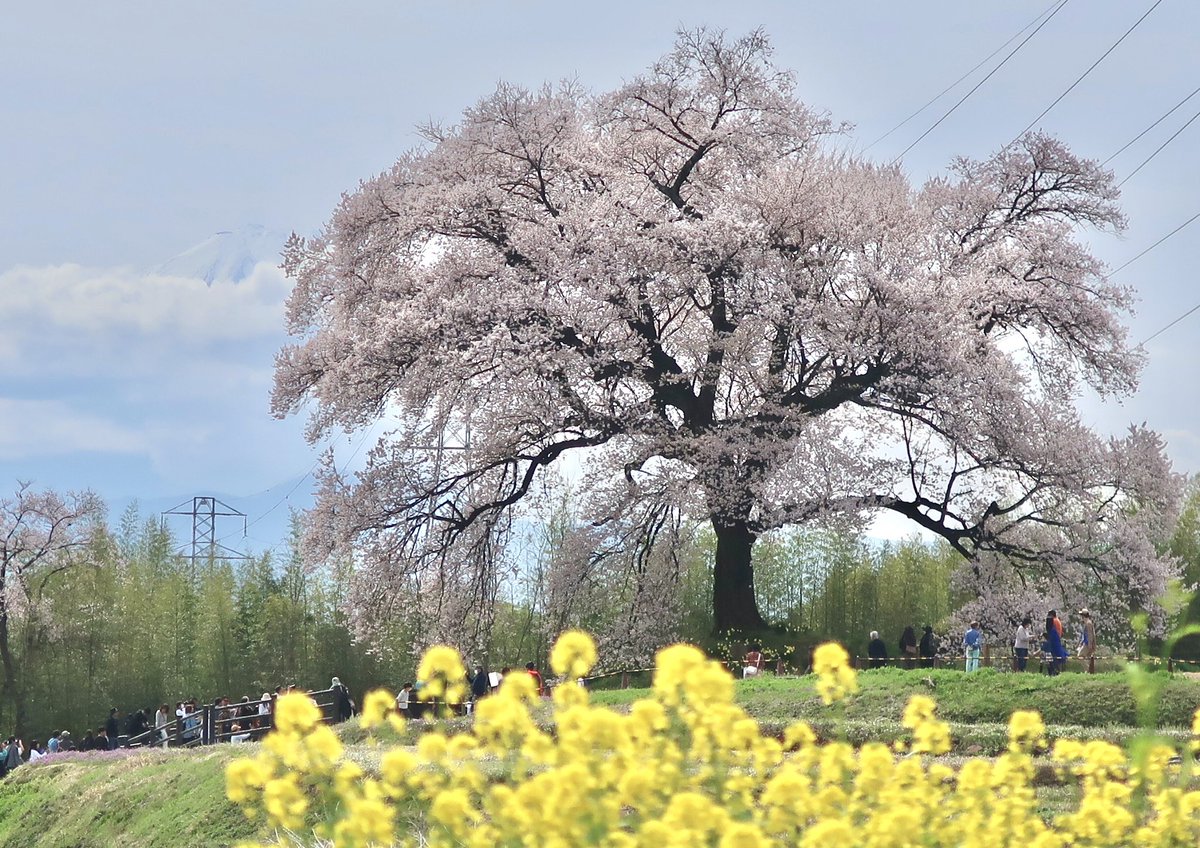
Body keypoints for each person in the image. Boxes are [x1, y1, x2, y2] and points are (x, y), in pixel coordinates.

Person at [1079, 608, 1097, 674]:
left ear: (1083, 616)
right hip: (1086, 643)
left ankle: (1087, 670)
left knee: (1080, 656)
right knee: (1089, 658)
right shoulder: (1087, 623)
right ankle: (1090, 671)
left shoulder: (1088, 623)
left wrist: (1090, 645)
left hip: (1087, 644)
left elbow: (1090, 635)